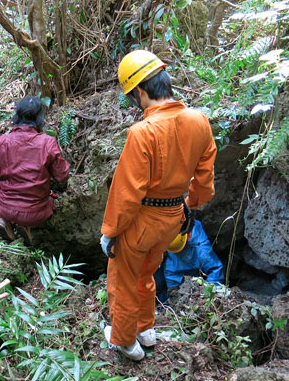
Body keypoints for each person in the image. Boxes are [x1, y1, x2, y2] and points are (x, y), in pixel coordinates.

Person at [99, 50, 217, 361]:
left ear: (139, 91)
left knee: (123, 278)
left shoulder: (143, 132)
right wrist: (190, 204)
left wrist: (110, 231)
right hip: (172, 220)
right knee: (148, 272)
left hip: (141, 223)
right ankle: (146, 329)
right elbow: (204, 181)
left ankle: (125, 341)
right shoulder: (198, 120)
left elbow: (126, 192)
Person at [0, 96, 69, 244]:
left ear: (17, 116)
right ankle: (26, 226)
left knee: (11, 201)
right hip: (36, 212)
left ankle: (6, 221)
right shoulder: (47, 142)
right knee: (51, 200)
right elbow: (62, 175)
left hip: (5, 207)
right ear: (39, 118)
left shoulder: (3, 141)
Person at [154, 219, 224, 305]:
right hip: (176, 267)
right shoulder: (168, 238)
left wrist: (208, 295)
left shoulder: (201, 250)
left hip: (196, 271)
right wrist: (173, 299)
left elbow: (215, 270)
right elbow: (171, 276)